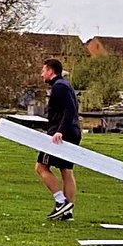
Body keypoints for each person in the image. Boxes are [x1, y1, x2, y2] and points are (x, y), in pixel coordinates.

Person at [36, 58, 81, 220]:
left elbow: (69, 110)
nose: (41, 74)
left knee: (41, 167)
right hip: (73, 132)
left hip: (60, 135)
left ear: (50, 71)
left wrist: (59, 131)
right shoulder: (65, 85)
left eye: (43, 71)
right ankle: (67, 212)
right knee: (66, 171)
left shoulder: (59, 87)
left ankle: (60, 201)